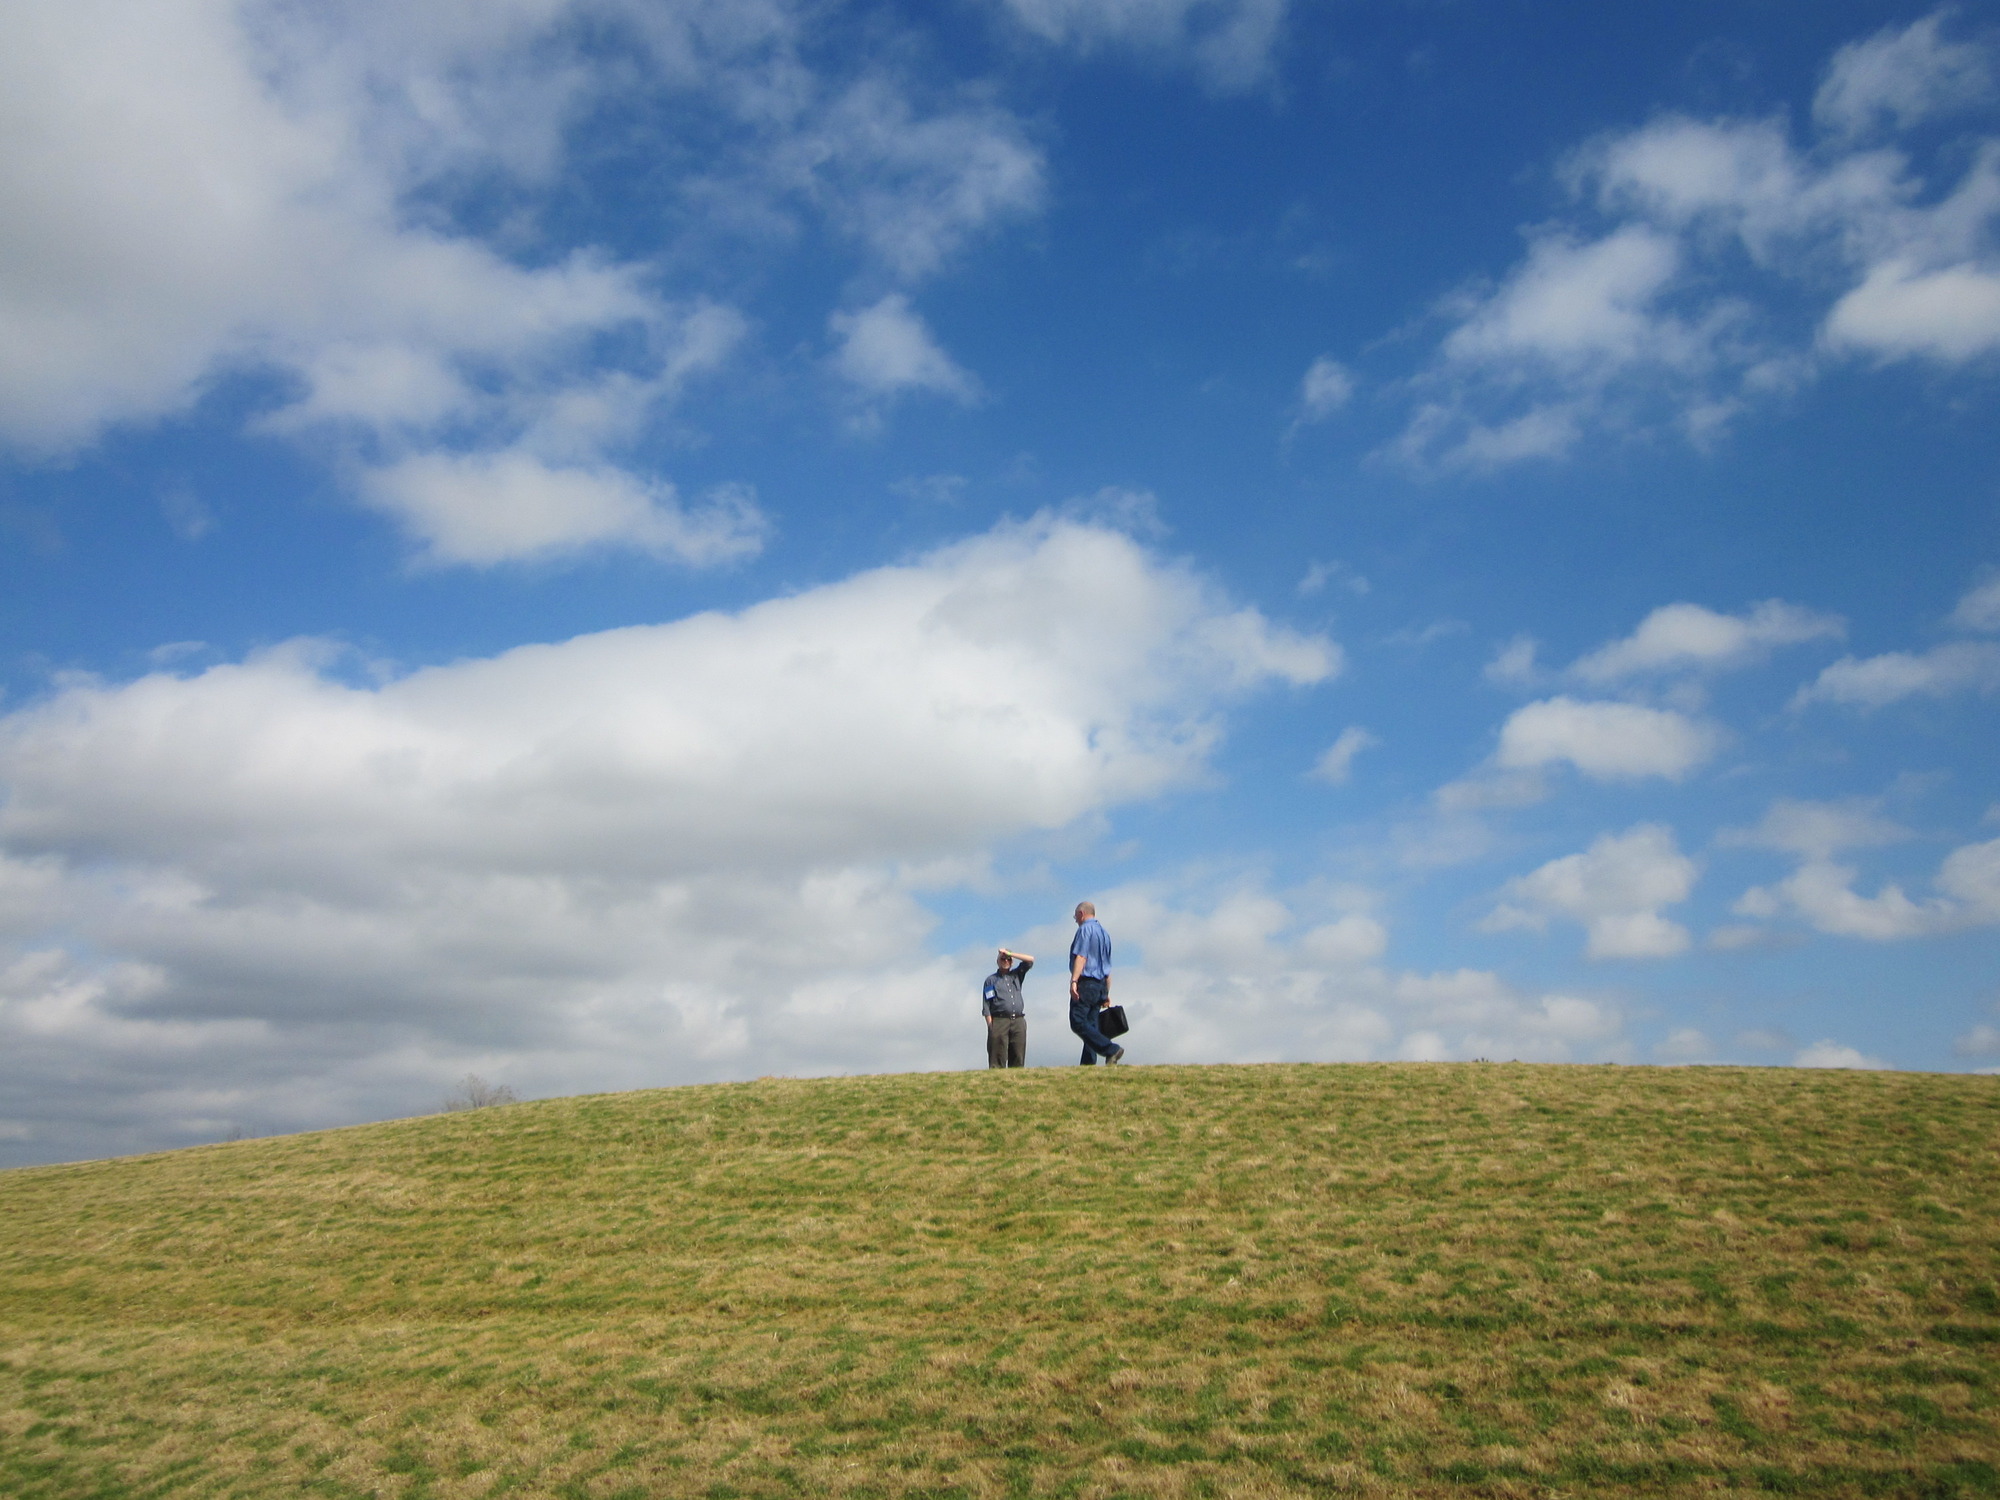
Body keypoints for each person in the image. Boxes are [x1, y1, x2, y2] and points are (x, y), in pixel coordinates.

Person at [1068, 901, 1124, 1065]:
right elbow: (1107, 967)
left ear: (1081, 914)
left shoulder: (1085, 930)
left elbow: (1081, 957)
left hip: (1087, 982)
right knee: (1091, 1024)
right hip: (1100, 983)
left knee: (1077, 1021)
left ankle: (1111, 1049)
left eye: (1076, 917)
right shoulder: (1104, 934)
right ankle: (1088, 1064)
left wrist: (1074, 981)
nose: (1076, 921)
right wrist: (1106, 993)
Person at [981, 948, 1033, 1069]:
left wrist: (1011, 953)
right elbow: (986, 1005)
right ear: (997, 961)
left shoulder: (1017, 975)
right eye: (1002, 959)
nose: (1005, 961)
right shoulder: (991, 980)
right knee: (997, 1057)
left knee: (1018, 1055)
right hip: (999, 1021)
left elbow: (1030, 960)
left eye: (1008, 959)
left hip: (1018, 1021)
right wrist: (991, 1026)